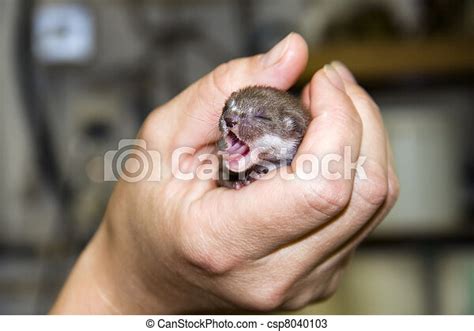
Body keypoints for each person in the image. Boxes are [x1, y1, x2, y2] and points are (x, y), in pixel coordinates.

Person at [50, 33, 399, 314]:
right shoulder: (226, 159)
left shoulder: (301, 148)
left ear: (291, 130)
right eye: (229, 112)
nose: (232, 121)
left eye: (259, 120)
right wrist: (139, 280)